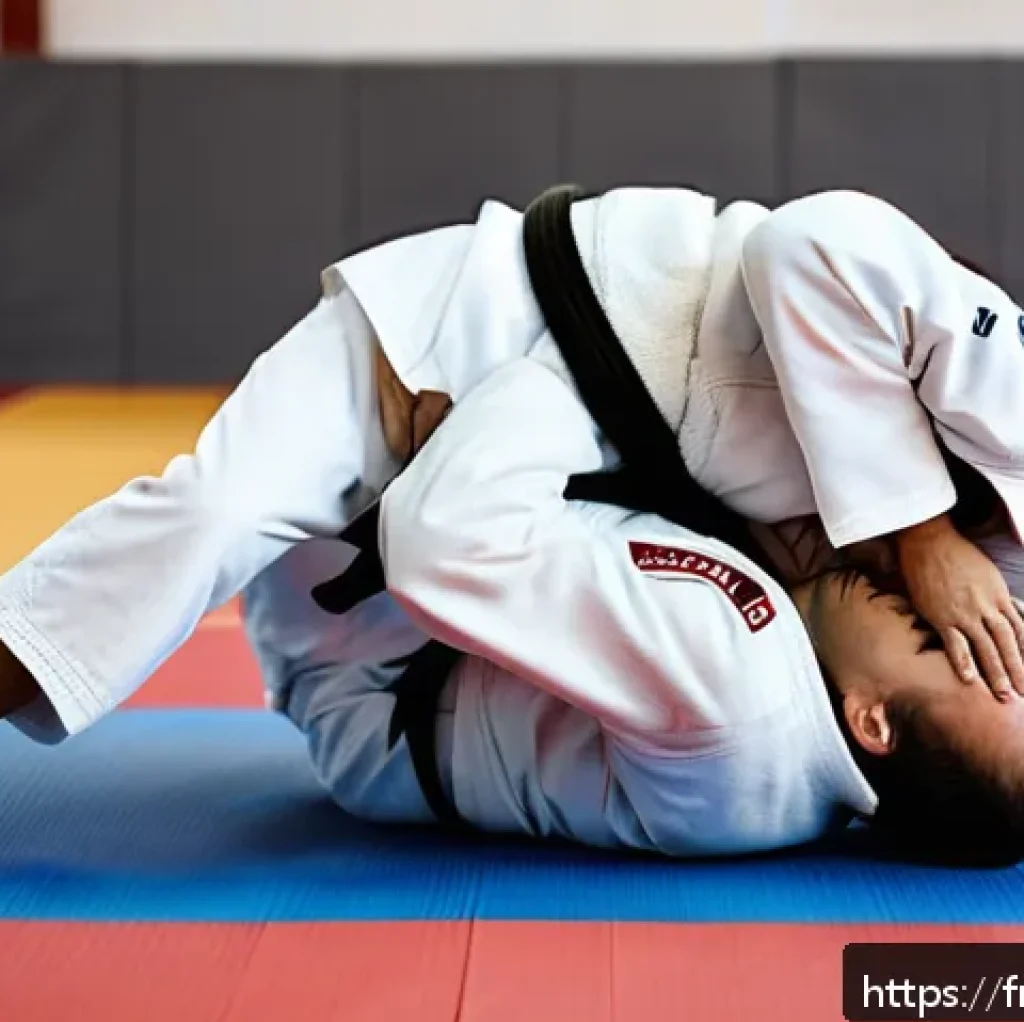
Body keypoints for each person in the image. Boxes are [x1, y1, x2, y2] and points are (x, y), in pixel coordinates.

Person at [1, 185, 1023, 744]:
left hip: (545, 474)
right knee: (213, 517)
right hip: (473, 325)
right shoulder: (1004, 400)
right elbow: (811, 237)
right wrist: (922, 536)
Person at [247, 358, 1024, 864]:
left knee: (497, 351)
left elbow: (444, 540)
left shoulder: (735, 675)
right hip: (415, 678)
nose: (917, 603)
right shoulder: (815, 754)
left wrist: (576, 365)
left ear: (872, 722)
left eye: (926, 636)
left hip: (370, 653)